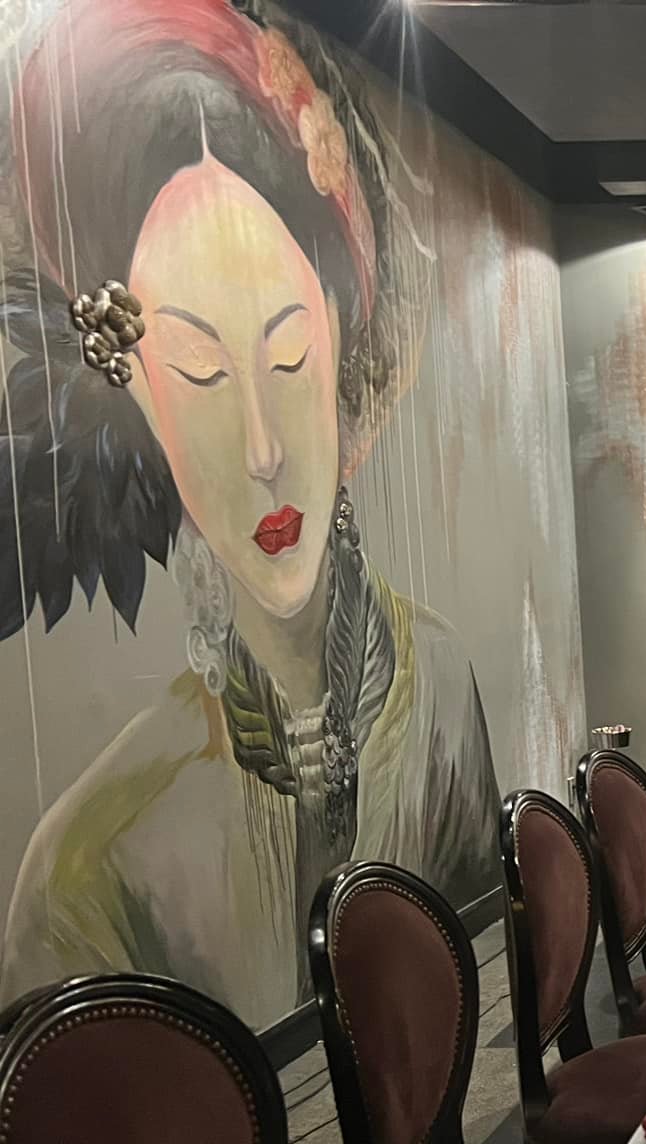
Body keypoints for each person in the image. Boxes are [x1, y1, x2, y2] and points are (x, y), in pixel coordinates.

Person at [0, 0, 499, 1023]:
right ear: (142, 399)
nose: (264, 448)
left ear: (340, 342)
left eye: (287, 354)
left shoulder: (440, 685)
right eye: (199, 371)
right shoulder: (94, 867)